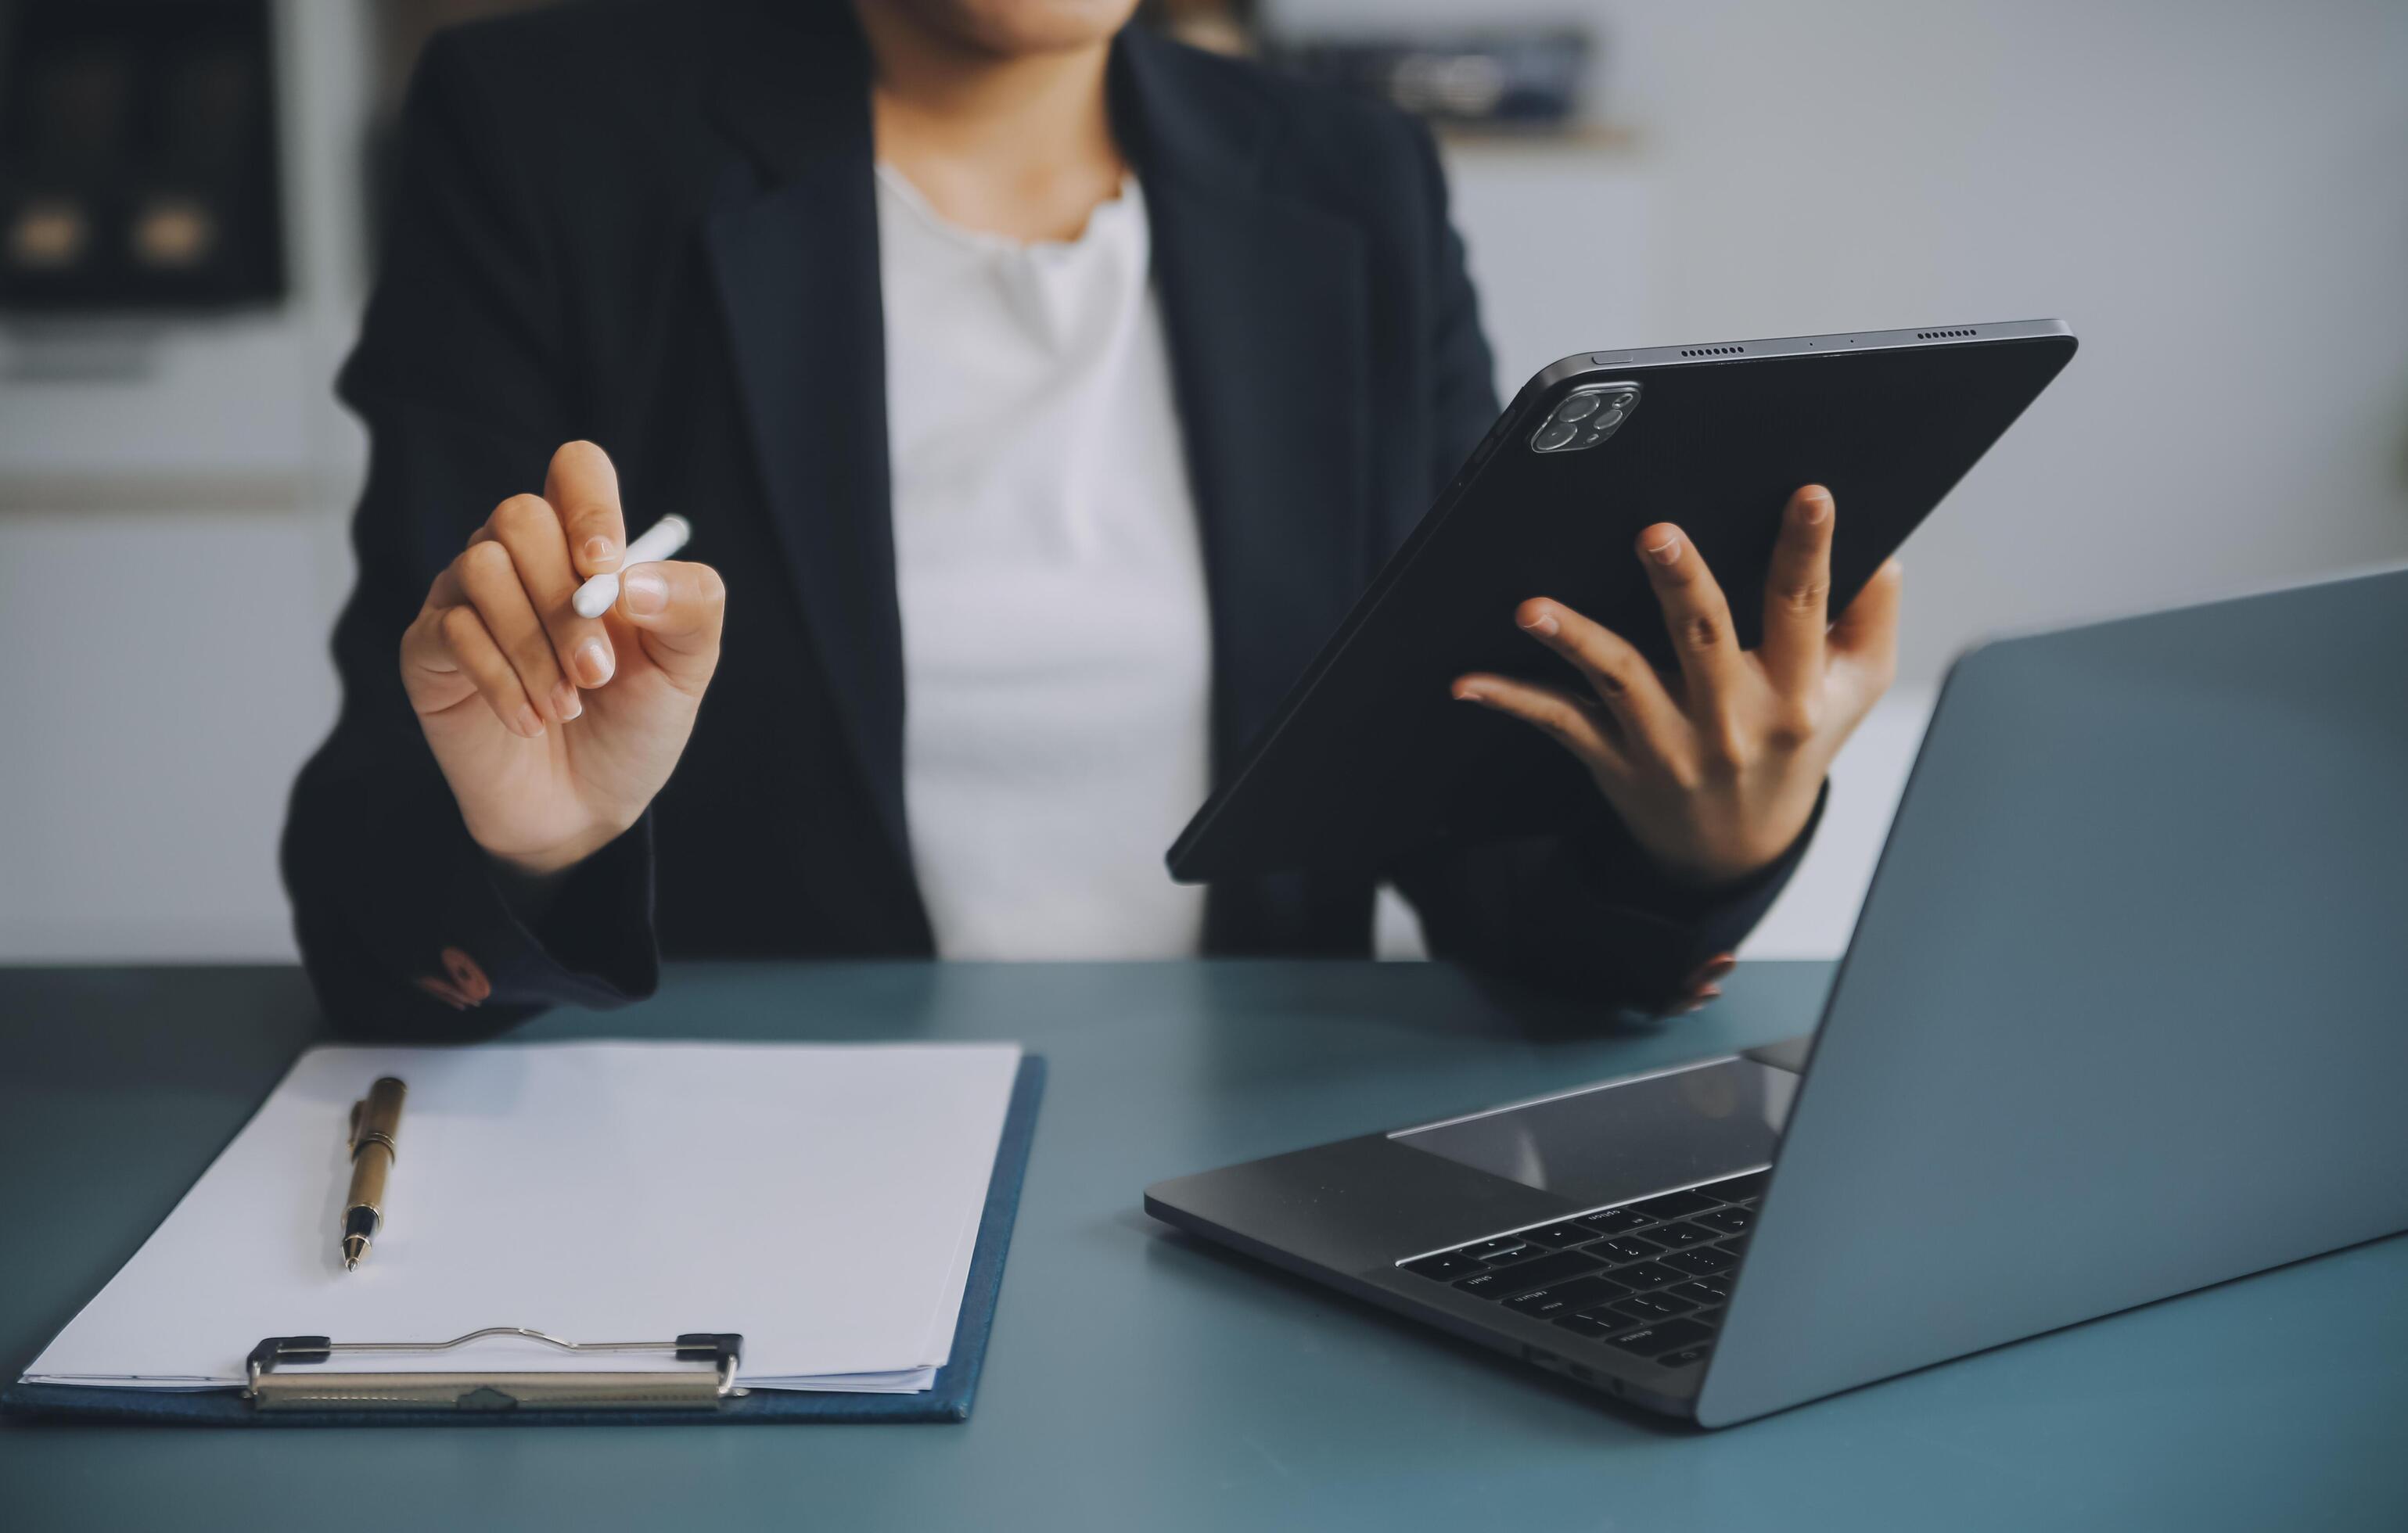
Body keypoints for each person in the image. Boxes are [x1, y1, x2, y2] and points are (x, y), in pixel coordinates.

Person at [282, 0, 1902, 1034]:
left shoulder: (1354, 183)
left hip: (1246, 1188)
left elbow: (1477, 840)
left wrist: (1703, 842)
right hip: (734, 1171)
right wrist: (529, 840)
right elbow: (370, 867)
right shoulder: (546, 136)